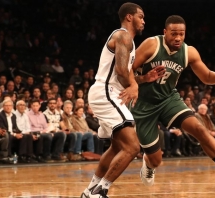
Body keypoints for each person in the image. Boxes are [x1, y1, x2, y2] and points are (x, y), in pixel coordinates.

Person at [126, 15, 215, 193]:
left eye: (181, 34)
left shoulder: (189, 52)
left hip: (168, 99)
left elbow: (207, 76)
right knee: (156, 160)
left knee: (200, 129)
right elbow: (126, 72)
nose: (178, 38)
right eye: (174, 34)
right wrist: (143, 78)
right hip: (144, 105)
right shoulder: (152, 45)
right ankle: (148, 164)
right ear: (165, 33)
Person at [82, 3, 145, 198]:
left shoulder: (127, 41)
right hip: (106, 92)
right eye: (141, 16)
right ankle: (100, 192)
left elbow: (125, 73)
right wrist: (134, 85)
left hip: (110, 93)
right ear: (129, 17)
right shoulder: (122, 35)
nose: (144, 21)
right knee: (133, 146)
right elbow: (120, 72)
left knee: (118, 147)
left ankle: (89, 192)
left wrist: (143, 79)